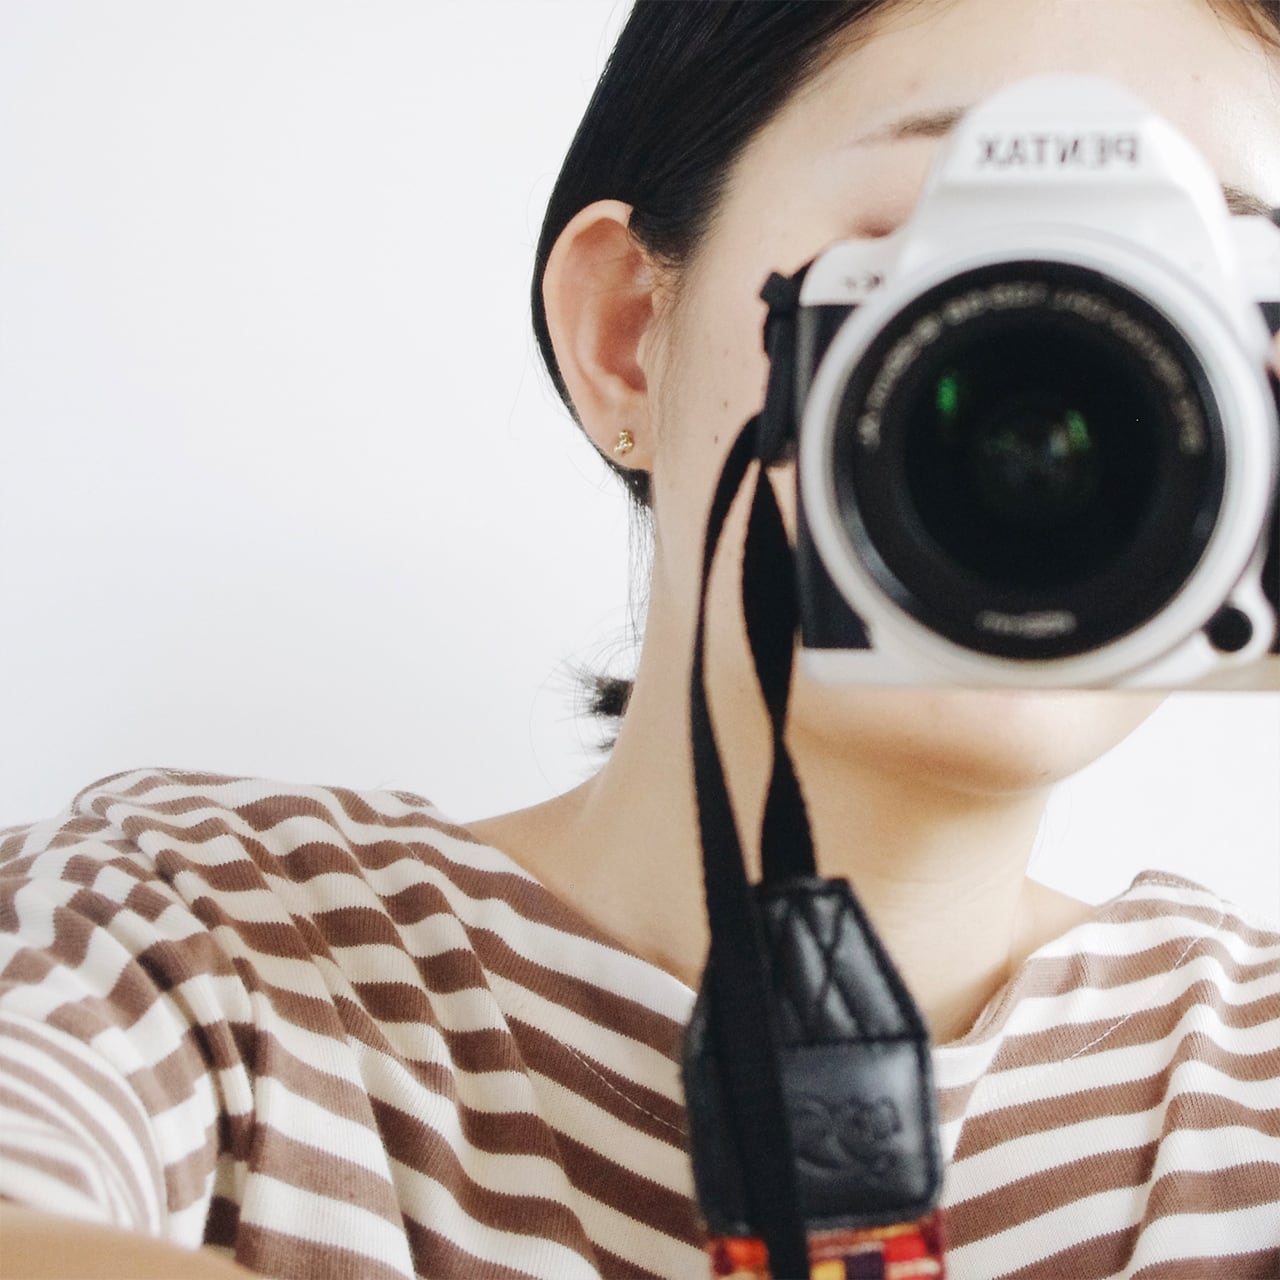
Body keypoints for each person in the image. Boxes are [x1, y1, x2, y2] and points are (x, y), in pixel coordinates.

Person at [2, 1, 1279, 1277]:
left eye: (1201, 292)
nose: (1086, 359)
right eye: (948, 258)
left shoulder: (1249, 1073)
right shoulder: (195, 935)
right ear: (625, 335)